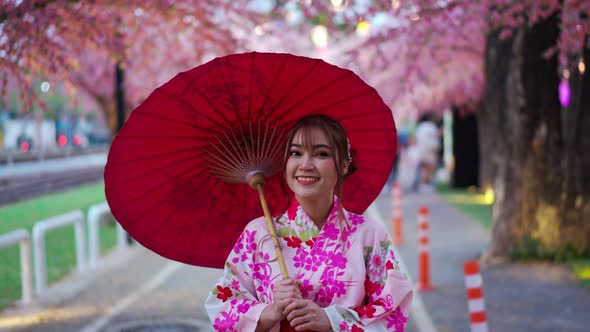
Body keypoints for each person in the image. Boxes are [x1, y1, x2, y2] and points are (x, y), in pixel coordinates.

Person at [205, 114, 413, 331]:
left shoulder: (370, 235)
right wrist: (270, 312)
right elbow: (222, 308)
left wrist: (333, 321)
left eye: (321, 154)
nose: (305, 164)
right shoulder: (258, 234)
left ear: (343, 165)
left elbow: (393, 310)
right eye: (295, 153)